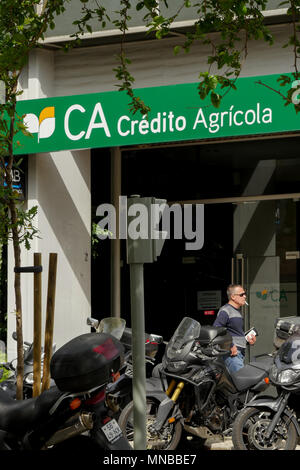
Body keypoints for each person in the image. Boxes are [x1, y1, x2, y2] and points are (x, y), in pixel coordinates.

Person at [213, 284, 256, 373]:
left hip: (238, 353)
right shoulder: (226, 310)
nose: (245, 296)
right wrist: (230, 345)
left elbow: (234, 333)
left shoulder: (237, 312)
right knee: (242, 382)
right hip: (232, 355)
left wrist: (248, 340)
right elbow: (217, 329)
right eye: (241, 294)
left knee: (237, 383)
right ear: (233, 297)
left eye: (245, 294)